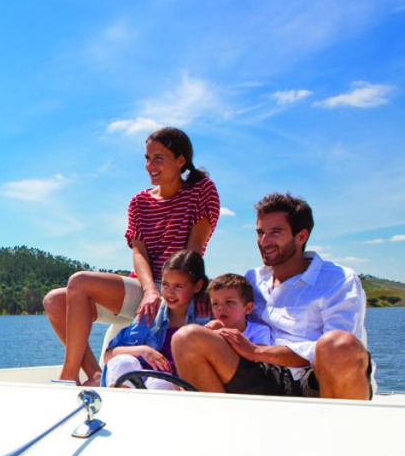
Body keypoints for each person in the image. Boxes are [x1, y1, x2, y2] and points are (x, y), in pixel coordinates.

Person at [44, 127, 220, 385]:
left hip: (176, 286)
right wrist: (149, 290)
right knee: (55, 301)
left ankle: (67, 379)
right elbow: (138, 252)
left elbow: (193, 251)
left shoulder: (201, 190)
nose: (150, 165)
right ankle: (91, 374)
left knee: (79, 281)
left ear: (180, 161)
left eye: (158, 157)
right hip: (144, 287)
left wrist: (171, 290)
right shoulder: (139, 202)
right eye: (147, 158)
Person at [172, 193, 372, 400]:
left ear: (301, 236)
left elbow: (339, 352)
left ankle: (338, 428)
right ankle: (222, 428)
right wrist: (220, 330)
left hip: (315, 379)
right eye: (260, 233)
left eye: (275, 232)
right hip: (264, 375)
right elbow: (242, 326)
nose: (264, 241)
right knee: (187, 338)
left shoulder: (339, 280)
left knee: (339, 344)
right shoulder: (253, 278)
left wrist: (258, 352)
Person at [102, 250, 210, 389]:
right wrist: (144, 350)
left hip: (176, 387)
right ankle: (120, 406)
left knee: (159, 383)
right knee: (122, 362)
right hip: (140, 380)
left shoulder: (206, 315)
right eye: (165, 284)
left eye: (178, 286)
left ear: (197, 286)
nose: (169, 292)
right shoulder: (151, 312)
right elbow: (109, 355)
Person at [205, 273, 271, 345]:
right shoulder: (210, 330)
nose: (220, 308)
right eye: (215, 303)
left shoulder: (259, 331)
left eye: (229, 302)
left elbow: (259, 353)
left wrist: (224, 335)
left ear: (248, 308)